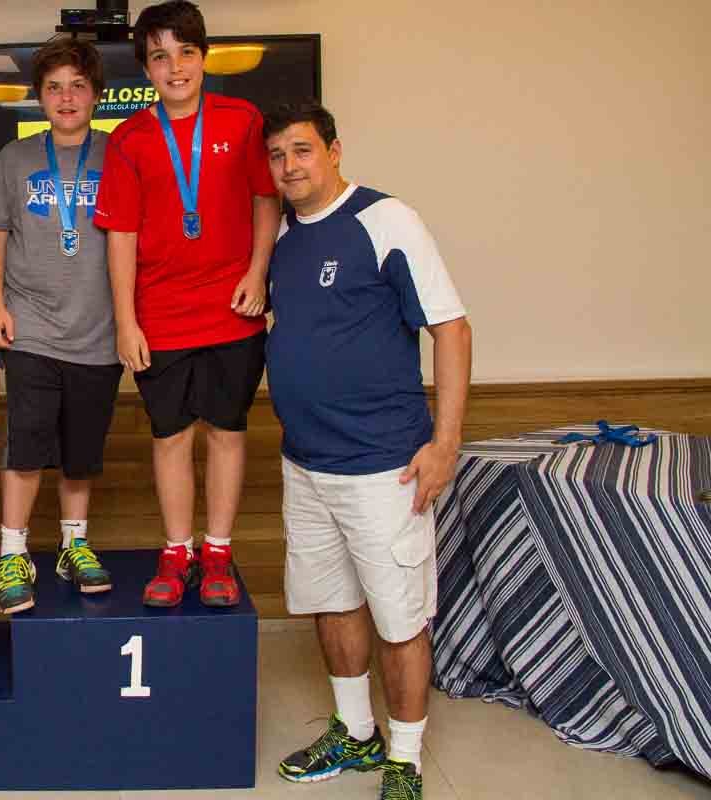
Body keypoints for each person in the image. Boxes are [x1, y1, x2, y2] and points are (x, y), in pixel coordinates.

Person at [263, 102, 472, 800]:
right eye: (277, 155)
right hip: (305, 463)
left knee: (400, 619)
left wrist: (445, 444)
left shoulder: (387, 220)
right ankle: (356, 734)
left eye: (302, 150)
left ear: (334, 151)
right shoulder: (283, 235)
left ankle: (405, 760)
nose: (289, 166)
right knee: (332, 603)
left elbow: (452, 329)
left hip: (386, 466)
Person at [94, 0, 281, 607]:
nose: (174, 67)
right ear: (145, 67)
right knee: (170, 435)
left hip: (233, 308)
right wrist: (126, 321)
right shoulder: (128, 139)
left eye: (186, 53)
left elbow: (266, 199)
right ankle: (177, 552)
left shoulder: (243, 120)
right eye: (160, 56)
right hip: (161, 316)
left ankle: (218, 551)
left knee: (227, 429)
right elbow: (120, 234)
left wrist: (258, 273)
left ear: (204, 58)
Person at [0, 38, 121, 615]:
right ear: (39, 96)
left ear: (96, 95)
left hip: (98, 329)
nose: (66, 98)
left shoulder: (119, 153)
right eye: (54, 87)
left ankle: (72, 545)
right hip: (30, 325)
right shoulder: (14, 159)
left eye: (78, 86)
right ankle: (13, 552)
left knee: (81, 453)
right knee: (27, 447)